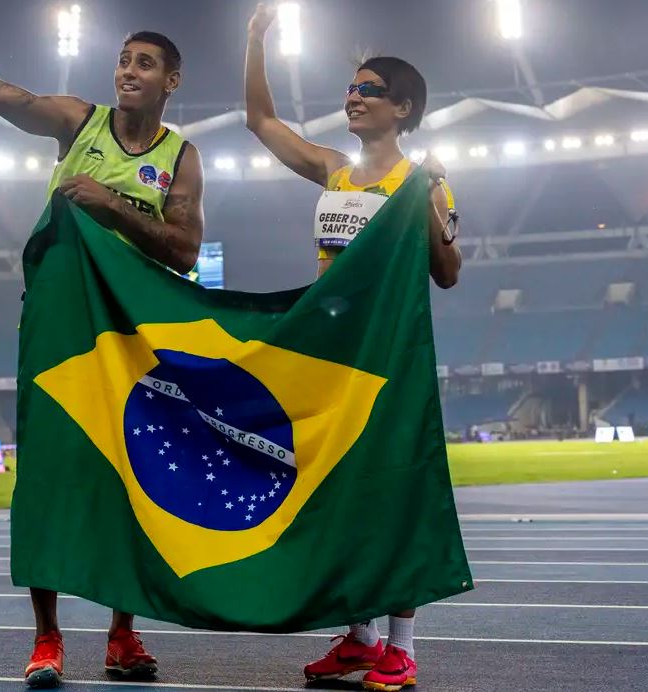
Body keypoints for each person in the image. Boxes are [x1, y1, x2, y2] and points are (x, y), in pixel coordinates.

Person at [0, 2, 205, 688]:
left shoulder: (179, 159)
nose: (128, 72)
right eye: (125, 60)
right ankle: (46, 639)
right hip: (58, 333)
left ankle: (123, 635)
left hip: (133, 343)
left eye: (144, 64)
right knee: (47, 480)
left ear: (171, 82)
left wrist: (112, 206)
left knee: (133, 482)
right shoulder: (78, 121)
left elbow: (185, 252)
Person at [244, 4, 461, 691]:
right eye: (350, 89)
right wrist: (255, 40)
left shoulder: (420, 179)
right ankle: (359, 638)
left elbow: (448, 272)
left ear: (402, 108)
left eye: (368, 90)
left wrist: (425, 199)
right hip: (328, 358)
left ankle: (402, 645)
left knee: (393, 494)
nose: (353, 98)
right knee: (338, 493)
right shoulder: (336, 170)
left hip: (388, 358)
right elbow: (261, 124)